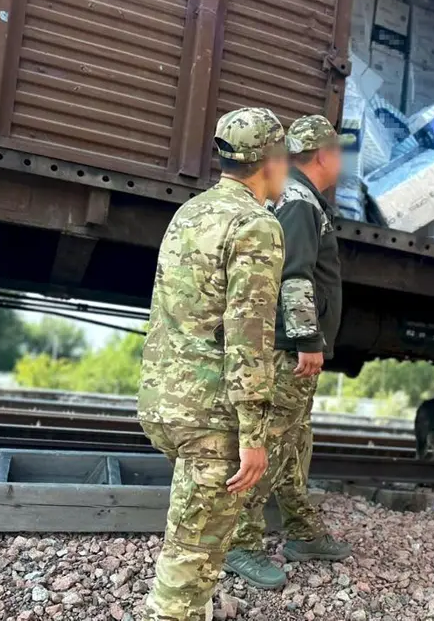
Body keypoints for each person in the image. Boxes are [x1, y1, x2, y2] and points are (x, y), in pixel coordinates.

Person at [136, 107, 292, 621]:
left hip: (165, 402)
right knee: (193, 555)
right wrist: (254, 434)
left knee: (190, 537)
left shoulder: (191, 212)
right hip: (213, 418)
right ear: (268, 160)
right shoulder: (256, 224)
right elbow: (249, 338)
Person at [224, 115, 353, 589]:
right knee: (275, 443)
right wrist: (306, 339)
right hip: (290, 349)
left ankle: (301, 531)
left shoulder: (299, 197)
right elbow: (294, 274)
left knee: (294, 443)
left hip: (291, 346)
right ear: (323, 154)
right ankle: (242, 543)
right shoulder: (299, 201)